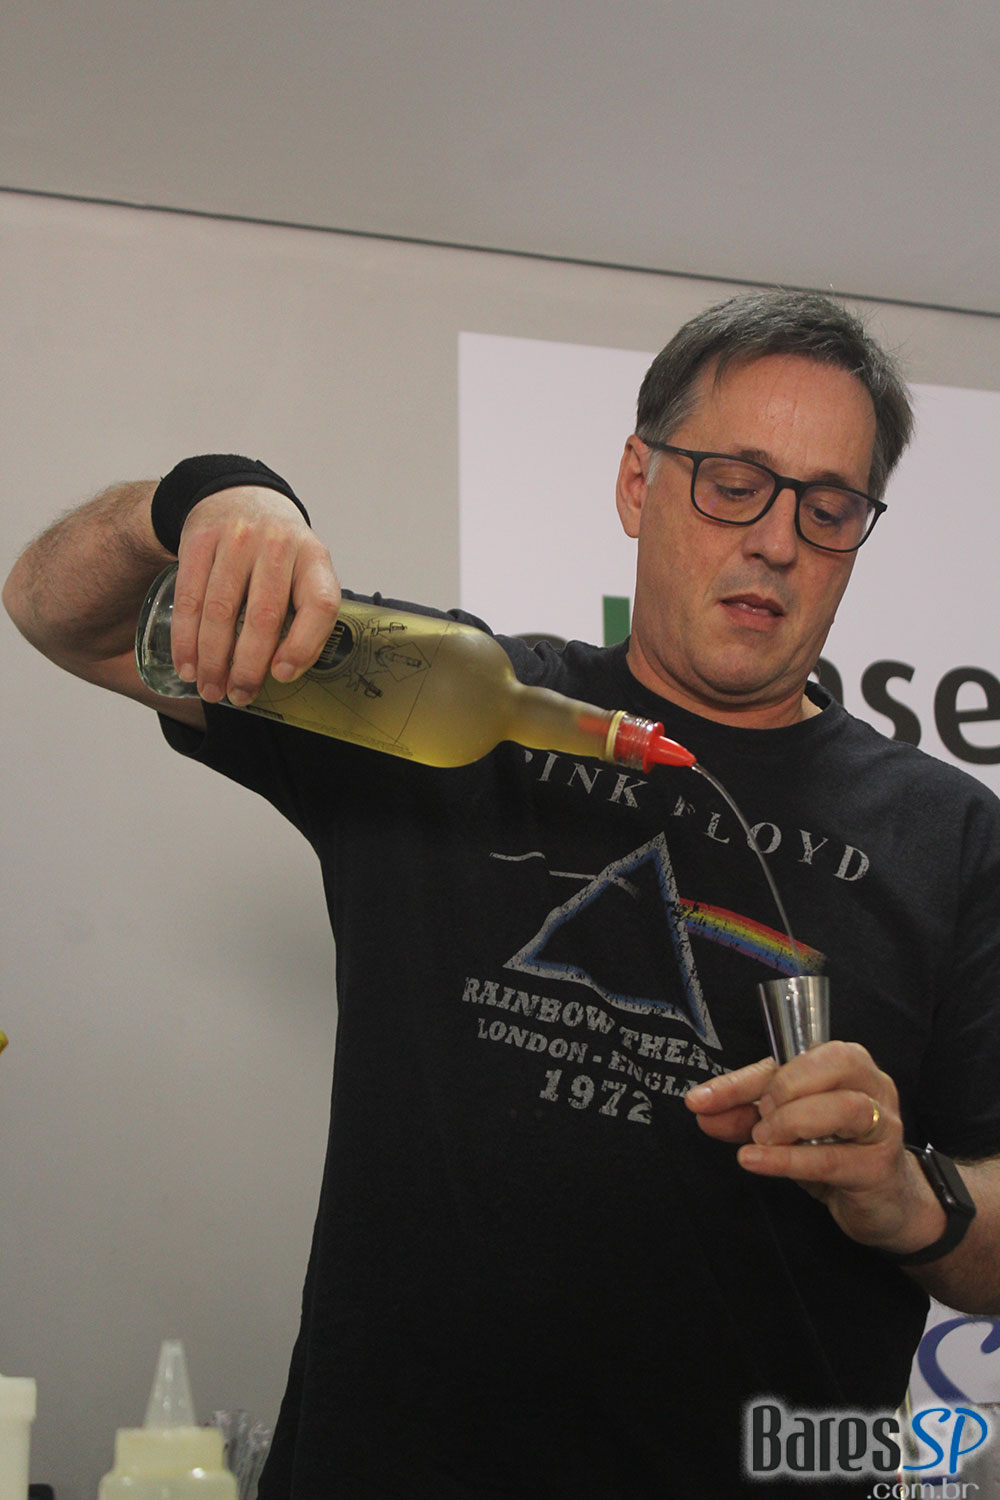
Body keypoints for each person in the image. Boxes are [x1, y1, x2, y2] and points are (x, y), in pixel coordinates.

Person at [6, 289, 1000, 1500]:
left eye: (827, 506)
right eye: (733, 483)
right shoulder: (437, 698)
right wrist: (211, 497)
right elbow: (65, 613)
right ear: (637, 481)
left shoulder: (949, 835)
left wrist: (910, 1197)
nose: (776, 540)